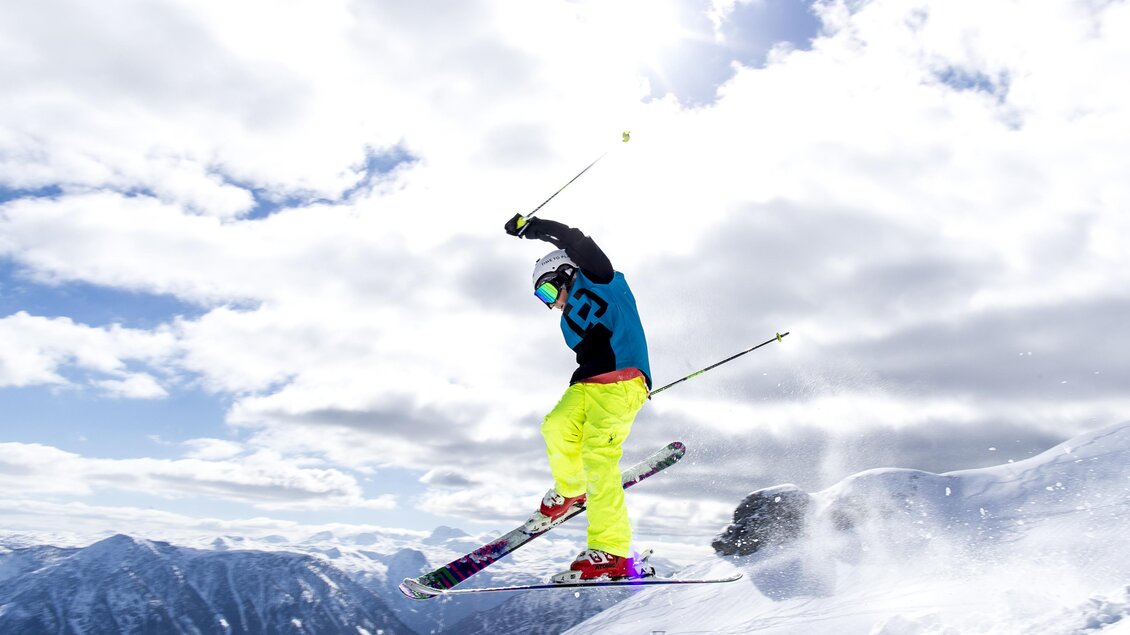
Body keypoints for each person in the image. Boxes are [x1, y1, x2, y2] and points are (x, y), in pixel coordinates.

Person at [504, 212, 652, 582]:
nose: (550, 302)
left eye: (549, 290)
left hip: (622, 381)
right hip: (587, 384)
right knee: (555, 427)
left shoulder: (599, 279)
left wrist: (533, 227)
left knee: (598, 457)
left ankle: (612, 551)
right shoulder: (567, 320)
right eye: (542, 297)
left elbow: (575, 240)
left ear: (566, 273)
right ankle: (571, 490)